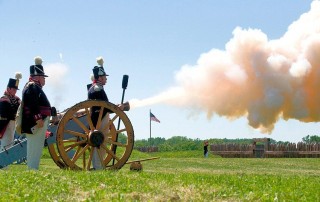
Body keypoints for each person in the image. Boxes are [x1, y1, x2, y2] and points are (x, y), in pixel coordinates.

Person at [88, 56, 128, 169]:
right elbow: (105, 106)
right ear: (100, 77)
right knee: (99, 141)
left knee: (100, 142)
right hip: (99, 118)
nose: (106, 79)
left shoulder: (96, 88)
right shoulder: (97, 89)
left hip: (100, 117)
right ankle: (98, 166)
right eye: (105, 77)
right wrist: (117, 108)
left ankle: (98, 165)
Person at [21, 56, 52, 170]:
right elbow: (32, 105)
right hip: (35, 123)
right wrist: (38, 119)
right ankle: (32, 170)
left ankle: (33, 169)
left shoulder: (35, 87)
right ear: (38, 77)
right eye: (43, 77)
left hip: (36, 122)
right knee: (35, 148)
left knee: (37, 147)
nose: (44, 80)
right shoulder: (32, 87)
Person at [0, 73, 22, 152]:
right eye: (14, 89)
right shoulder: (3, 99)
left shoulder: (17, 99)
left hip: (13, 124)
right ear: (8, 88)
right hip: (5, 124)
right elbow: (6, 114)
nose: (15, 91)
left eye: (16, 89)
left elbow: (20, 107)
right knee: (5, 145)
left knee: (9, 145)